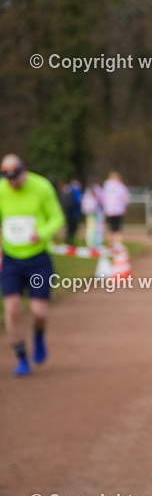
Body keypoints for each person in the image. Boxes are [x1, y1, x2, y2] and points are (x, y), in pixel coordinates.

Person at [0, 155, 65, 375]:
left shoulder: (42, 187)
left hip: (38, 259)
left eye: (16, 178)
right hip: (11, 259)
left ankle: (38, 336)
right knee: (13, 308)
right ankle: (21, 358)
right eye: (8, 179)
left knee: (39, 312)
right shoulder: (2, 190)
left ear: (24, 172)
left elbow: (57, 218)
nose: (13, 183)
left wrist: (43, 233)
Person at [102, 171, 130, 247]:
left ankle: (111, 245)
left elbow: (103, 198)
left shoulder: (106, 186)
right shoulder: (121, 186)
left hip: (109, 211)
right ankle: (118, 245)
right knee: (117, 229)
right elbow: (126, 199)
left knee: (111, 229)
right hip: (118, 211)